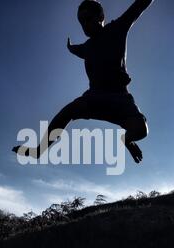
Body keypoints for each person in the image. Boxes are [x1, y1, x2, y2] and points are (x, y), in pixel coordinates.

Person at [13, 0, 154, 163]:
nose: (84, 25)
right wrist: (70, 47)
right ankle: (39, 150)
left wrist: (72, 48)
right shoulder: (86, 47)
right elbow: (76, 50)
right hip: (95, 97)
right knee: (69, 111)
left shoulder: (117, 28)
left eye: (88, 19)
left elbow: (139, 6)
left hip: (120, 97)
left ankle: (126, 139)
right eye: (81, 21)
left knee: (141, 130)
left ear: (101, 16)